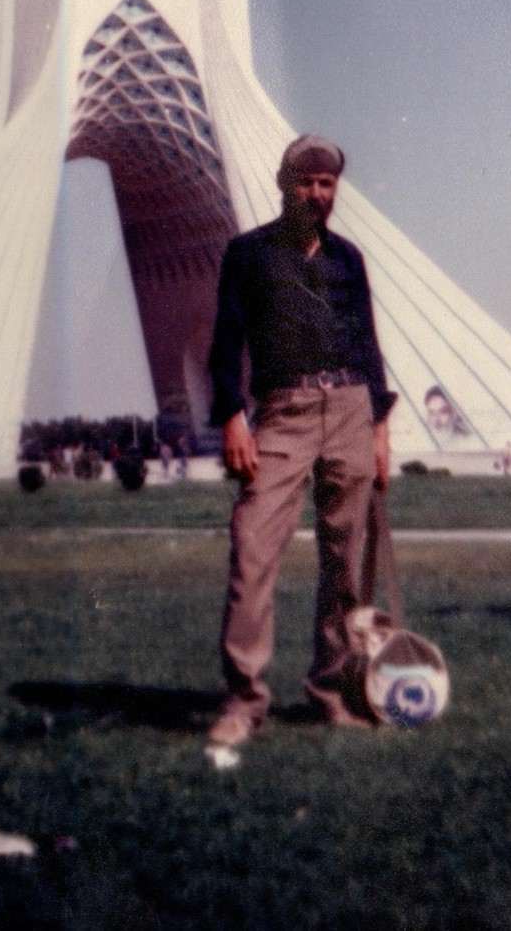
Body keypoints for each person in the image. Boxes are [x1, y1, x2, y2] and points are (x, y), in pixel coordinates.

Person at [207, 134, 397, 747]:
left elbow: (367, 344)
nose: (317, 193)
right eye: (306, 182)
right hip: (283, 411)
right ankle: (244, 701)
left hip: (349, 408)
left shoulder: (348, 259)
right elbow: (226, 342)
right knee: (253, 544)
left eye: (326, 183)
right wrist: (232, 416)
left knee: (344, 559)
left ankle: (331, 691)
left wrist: (379, 427)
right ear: (285, 186)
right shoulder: (250, 254)